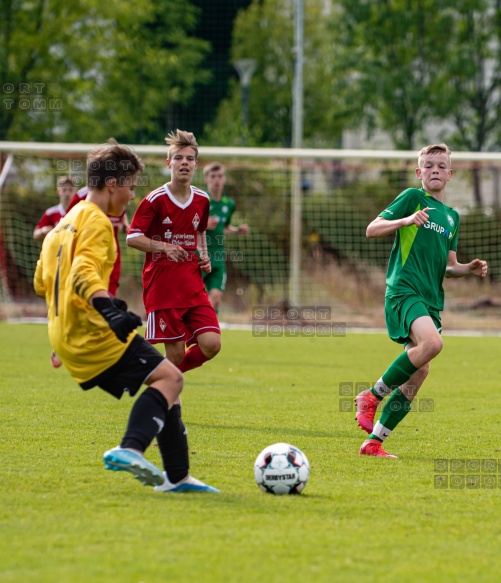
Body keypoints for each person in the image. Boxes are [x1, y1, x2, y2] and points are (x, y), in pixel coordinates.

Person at [34, 139, 218, 493]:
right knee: (172, 379)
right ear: (112, 185)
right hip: (92, 335)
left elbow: (44, 282)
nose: (132, 197)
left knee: (166, 381)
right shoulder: (98, 223)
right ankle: (131, 448)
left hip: (65, 336)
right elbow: (84, 273)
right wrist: (107, 309)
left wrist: (99, 309)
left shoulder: (63, 224)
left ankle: (178, 478)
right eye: (130, 187)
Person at [355, 143, 488, 458]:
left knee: (421, 371)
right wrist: (405, 221)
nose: (435, 171)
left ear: (451, 174)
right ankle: (370, 396)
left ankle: (374, 443)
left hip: (430, 300)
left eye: (441, 166)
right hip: (404, 289)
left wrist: (466, 269)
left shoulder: (452, 217)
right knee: (433, 345)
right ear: (419, 172)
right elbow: (371, 229)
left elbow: (448, 266)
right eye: (429, 166)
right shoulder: (413, 198)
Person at [127, 130, 221, 372]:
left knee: (212, 343)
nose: (184, 163)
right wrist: (164, 246)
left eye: (189, 158)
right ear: (168, 163)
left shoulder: (202, 199)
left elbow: (200, 232)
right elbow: (133, 237)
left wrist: (204, 255)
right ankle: (166, 387)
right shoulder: (155, 199)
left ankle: (165, 378)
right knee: (176, 352)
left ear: (196, 165)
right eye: (178, 158)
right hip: (163, 286)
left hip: (192, 284)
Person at [202, 162, 249, 313]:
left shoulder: (229, 204)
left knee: (215, 297)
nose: (217, 179)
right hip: (199, 256)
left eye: (220, 176)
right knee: (193, 297)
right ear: (206, 179)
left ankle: (205, 328)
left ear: (224, 179)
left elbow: (224, 228)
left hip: (218, 257)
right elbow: (185, 226)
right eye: (213, 176)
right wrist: (202, 224)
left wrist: (237, 230)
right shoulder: (199, 200)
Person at [33, 176, 77, 242]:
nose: (67, 193)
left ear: (76, 192)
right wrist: (42, 231)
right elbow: (35, 235)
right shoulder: (50, 213)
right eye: (64, 190)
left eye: (70, 190)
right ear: (58, 192)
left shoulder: (80, 211)